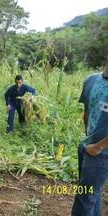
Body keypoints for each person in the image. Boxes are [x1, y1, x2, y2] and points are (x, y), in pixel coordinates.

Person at [72, 68, 108, 216]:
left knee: (85, 198)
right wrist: (89, 140)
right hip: (88, 146)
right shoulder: (91, 80)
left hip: (102, 152)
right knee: (92, 194)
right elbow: (87, 110)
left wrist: (99, 146)